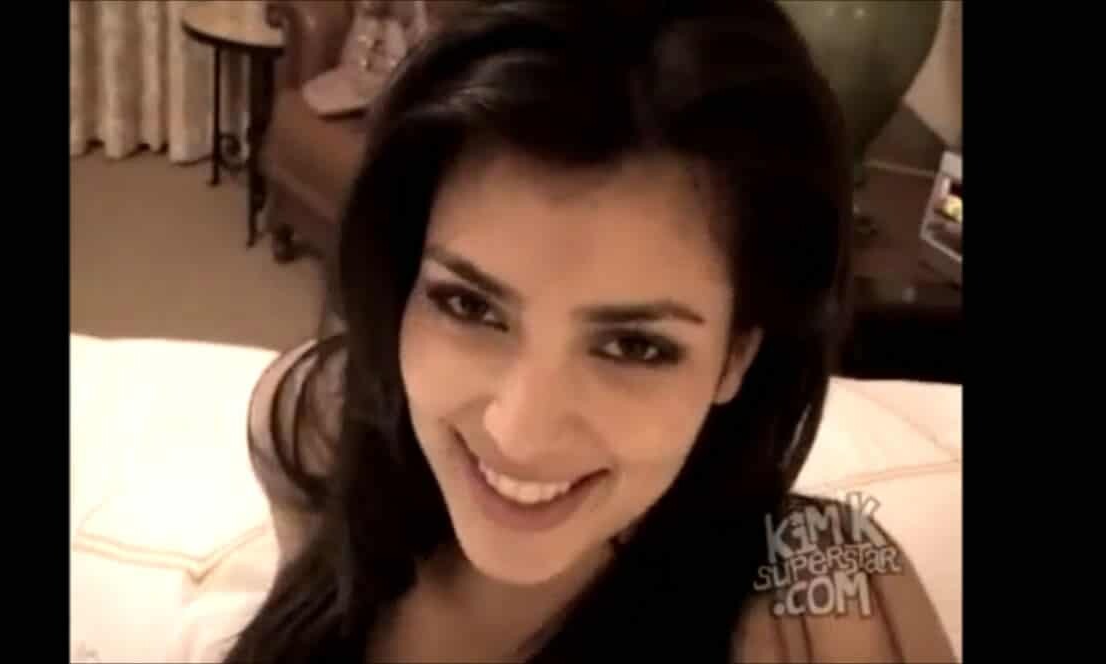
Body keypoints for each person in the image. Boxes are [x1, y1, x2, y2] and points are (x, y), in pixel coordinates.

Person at [190, 0, 956, 661]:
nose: (518, 432)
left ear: (736, 355)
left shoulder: (831, 605)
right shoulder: (318, 428)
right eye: (469, 306)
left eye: (634, 346)